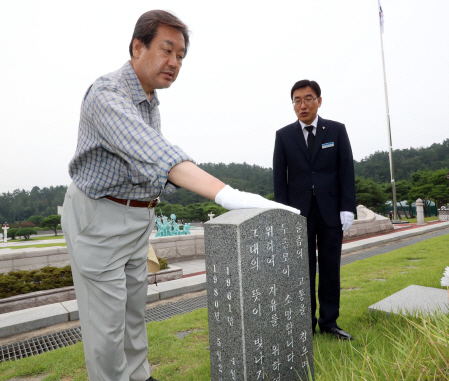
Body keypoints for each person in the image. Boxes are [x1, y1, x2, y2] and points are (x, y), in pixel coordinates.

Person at [62, 10, 298, 381]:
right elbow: (153, 151)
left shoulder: (150, 99)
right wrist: (226, 193)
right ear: (137, 47)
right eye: (166, 50)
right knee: (106, 329)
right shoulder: (106, 95)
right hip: (99, 215)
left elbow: (149, 166)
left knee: (132, 316)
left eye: (181, 56)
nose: (174, 63)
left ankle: (140, 377)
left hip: (137, 217)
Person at [273, 80, 356, 341]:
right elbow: (279, 179)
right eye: (297, 100)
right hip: (299, 214)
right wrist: (283, 212)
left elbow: (346, 171)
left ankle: (329, 322)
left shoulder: (336, 130)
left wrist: (347, 207)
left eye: (308, 98)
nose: (302, 105)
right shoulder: (284, 135)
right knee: (302, 270)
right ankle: (304, 324)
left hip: (331, 211)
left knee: (331, 267)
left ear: (319, 100)